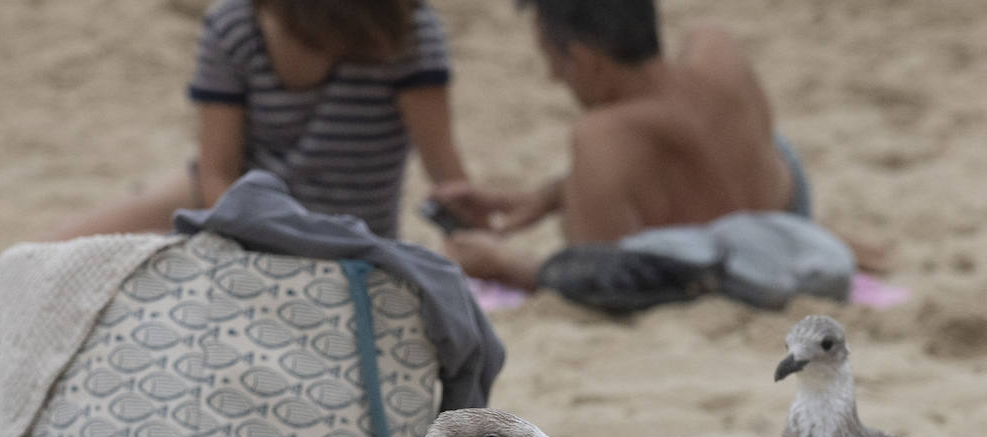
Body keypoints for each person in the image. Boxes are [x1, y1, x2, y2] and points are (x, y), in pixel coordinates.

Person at [434, 0, 889, 290]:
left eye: (555, 61)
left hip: (724, 260)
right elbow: (682, 144)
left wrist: (502, 263)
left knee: (597, 228)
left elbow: (601, 278)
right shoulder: (718, 49)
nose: (554, 77)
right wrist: (546, 197)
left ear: (585, 59)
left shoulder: (602, 134)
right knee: (760, 148)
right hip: (785, 210)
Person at [43, 0, 470, 242]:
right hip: (237, 197)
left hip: (348, 222)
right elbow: (217, 172)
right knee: (56, 250)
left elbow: (441, 164)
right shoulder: (235, 24)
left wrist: (465, 232)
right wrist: (245, 239)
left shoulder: (402, 32)